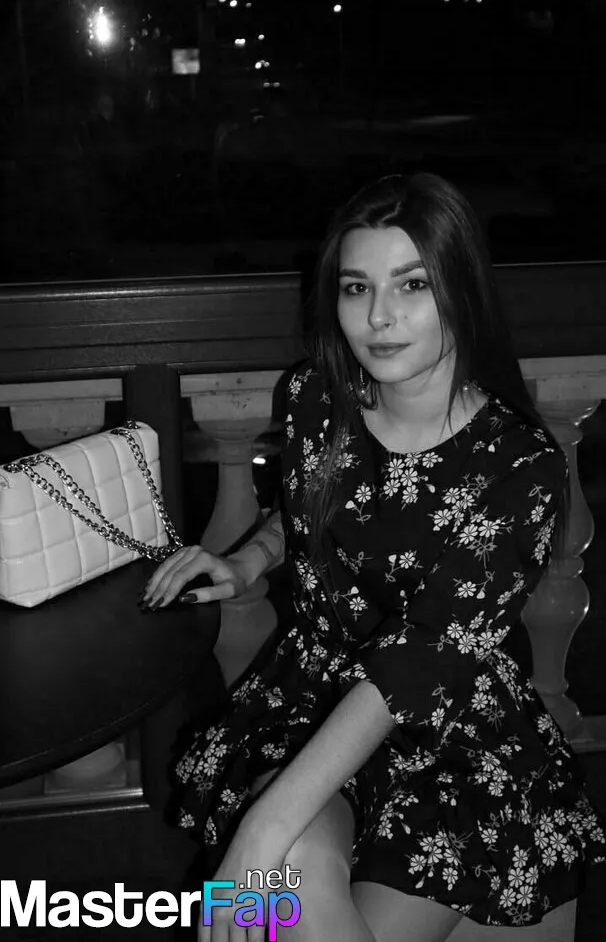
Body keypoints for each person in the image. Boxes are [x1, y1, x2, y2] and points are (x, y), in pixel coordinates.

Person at [142, 173, 606, 942]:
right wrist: (249, 562)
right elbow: (316, 509)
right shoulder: (315, 399)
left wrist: (263, 825)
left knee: (276, 859)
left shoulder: (519, 464)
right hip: (313, 700)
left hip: (452, 727)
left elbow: (422, 658)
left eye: (412, 284)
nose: (378, 317)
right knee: (288, 875)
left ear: (461, 290)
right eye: (357, 287)